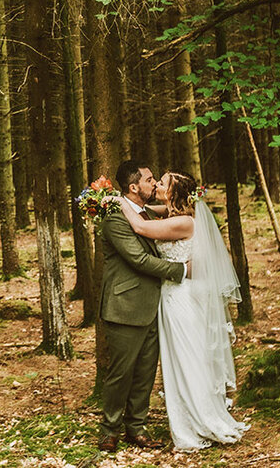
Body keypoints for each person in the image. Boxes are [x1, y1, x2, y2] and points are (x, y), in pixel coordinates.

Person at [119, 170, 250, 452]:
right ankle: (191, 417)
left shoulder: (183, 222)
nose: (156, 185)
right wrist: (133, 203)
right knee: (178, 361)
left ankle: (199, 422)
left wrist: (118, 202)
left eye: (162, 183)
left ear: (174, 193)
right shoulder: (171, 213)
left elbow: (141, 227)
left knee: (187, 359)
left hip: (180, 299)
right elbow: (146, 210)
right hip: (171, 296)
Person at [96, 159, 188, 453]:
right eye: (150, 180)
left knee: (145, 373)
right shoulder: (114, 218)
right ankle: (109, 430)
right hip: (124, 308)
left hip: (154, 308)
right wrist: (182, 270)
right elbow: (139, 259)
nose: (154, 184)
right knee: (120, 374)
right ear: (134, 187)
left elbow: (175, 211)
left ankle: (137, 427)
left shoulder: (144, 212)